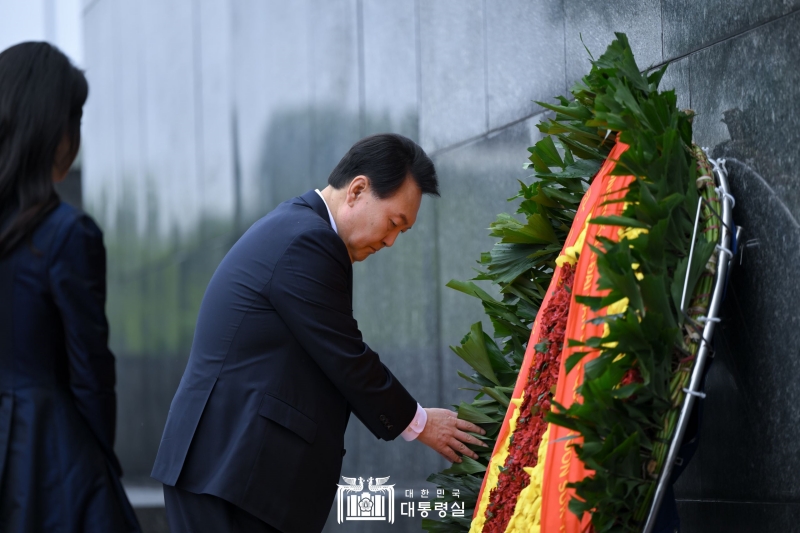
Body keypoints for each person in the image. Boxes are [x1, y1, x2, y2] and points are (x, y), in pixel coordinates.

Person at [152, 133, 487, 533]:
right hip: (230, 474)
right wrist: (418, 422)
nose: (391, 241)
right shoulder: (307, 240)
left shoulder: (296, 227)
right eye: (393, 222)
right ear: (358, 190)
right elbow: (344, 354)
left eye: (403, 231)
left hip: (231, 472)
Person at [0, 42, 140, 532]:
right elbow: (90, 370)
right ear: (54, 127)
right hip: (48, 454)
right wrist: (101, 459)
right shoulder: (65, 233)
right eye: (75, 119)